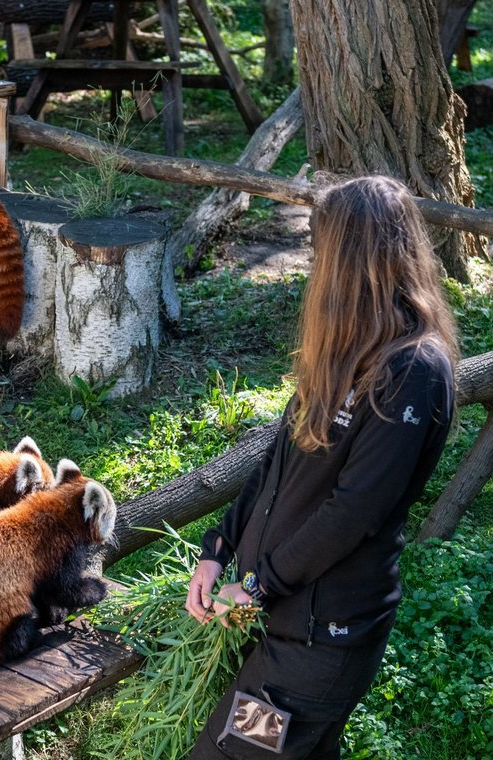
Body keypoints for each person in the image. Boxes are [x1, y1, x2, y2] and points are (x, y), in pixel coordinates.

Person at [184, 176, 458, 758]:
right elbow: (276, 466)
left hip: (319, 646)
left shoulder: (413, 369)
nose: (314, 262)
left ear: (355, 257)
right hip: (284, 626)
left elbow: (353, 511)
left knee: (230, 751)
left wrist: (257, 586)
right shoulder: (347, 348)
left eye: (322, 247)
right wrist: (216, 551)